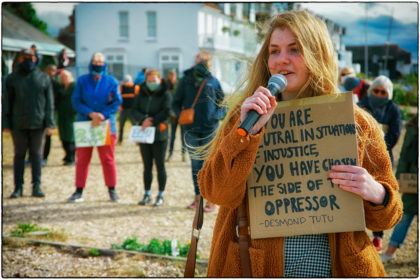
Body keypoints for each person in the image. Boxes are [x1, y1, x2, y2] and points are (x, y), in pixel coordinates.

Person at [197, 11, 402, 277]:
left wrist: (376, 193)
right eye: (274, 51)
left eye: (294, 49)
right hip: (255, 266)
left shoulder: (356, 123)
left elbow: (388, 217)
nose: (281, 59)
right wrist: (244, 135)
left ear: (317, 54)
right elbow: (215, 193)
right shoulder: (245, 117)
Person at [172, 50, 225, 213]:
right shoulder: (185, 79)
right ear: (195, 61)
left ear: (209, 63)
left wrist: (216, 117)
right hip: (191, 129)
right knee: (196, 165)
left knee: (209, 165)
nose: (201, 61)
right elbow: (175, 102)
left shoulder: (213, 81)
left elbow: (222, 104)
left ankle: (211, 200)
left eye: (205, 60)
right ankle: (197, 198)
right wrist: (181, 115)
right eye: (199, 59)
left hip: (210, 129)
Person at [68, 52, 122, 203]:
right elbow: (76, 101)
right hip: (86, 124)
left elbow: (116, 102)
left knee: (108, 159)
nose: (98, 64)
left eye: (101, 61)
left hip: (105, 125)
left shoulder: (111, 81)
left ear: (105, 64)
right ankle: (79, 190)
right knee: (82, 159)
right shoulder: (82, 81)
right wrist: (90, 113)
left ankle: (112, 189)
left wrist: (102, 115)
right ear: (91, 62)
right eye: (95, 61)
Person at [357, 75, 402, 252]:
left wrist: (377, 146)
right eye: (376, 91)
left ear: (388, 94)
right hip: (360, 155)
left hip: (383, 156)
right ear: (371, 90)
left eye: (383, 92)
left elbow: (395, 134)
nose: (379, 94)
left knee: (379, 194)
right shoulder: (361, 104)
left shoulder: (394, 109)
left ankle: (378, 235)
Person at [3, 48, 55, 198]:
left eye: (31, 57)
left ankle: (36, 186)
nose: (28, 60)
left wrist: (50, 123)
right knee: (19, 155)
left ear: (36, 59)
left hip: (38, 123)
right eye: (25, 57)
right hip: (18, 123)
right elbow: (7, 102)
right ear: (20, 59)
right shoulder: (12, 78)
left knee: (36, 155)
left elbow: (49, 103)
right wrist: (5, 123)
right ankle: (18, 187)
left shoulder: (44, 78)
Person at [131, 69, 172, 206]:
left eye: (154, 80)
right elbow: (134, 110)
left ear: (159, 80)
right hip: (144, 134)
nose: (151, 83)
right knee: (146, 165)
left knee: (160, 165)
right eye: (149, 81)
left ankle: (160, 194)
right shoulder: (141, 94)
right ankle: (147, 193)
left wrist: (152, 121)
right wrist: (143, 119)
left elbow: (167, 111)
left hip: (160, 134)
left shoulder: (166, 94)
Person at [381, 114, 418, 263]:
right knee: (406, 215)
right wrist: (400, 179)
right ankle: (390, 252)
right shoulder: (413, 129)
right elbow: (403, 156)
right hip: (414, 179)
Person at [56, 70, 77, 165]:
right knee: (63, 136)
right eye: (62, 77)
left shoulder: (74, 86)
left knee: (71, 137)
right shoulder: (60, 87)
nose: (64, 78)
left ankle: (71, 156)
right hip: (62, 115)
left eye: (66, 76)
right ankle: (67, 155)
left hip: (72, 115)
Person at [41, 64, 60, 166]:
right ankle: (31, 157)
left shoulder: (56, 85)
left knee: (48, 136)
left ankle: (45, 157)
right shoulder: (39, 82)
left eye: (53, 71)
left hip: (50, 113)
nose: (50, 72)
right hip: (38, 112)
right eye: (49, 70)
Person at [165, 69, 186, 162]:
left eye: (173, 75)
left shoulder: (180, 85)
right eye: (170, 75)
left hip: (181, 114)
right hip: (173, 115)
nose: (172, 77)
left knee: (183, 136)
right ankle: (170, 153)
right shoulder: (166, 85)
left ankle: (183, 154)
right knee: (172, 136)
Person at [118, 74, 140, 143]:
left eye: (127, 81)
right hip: (123, 109)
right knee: (121, 125)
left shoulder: (136, 87)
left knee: (135, 125)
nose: (125, 83)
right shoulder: (121, 88)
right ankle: (120, 140)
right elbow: (118, 98)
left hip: (132, 110)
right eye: (124, 81)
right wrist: (119, 106)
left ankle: (138, 140)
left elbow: (139, 99)